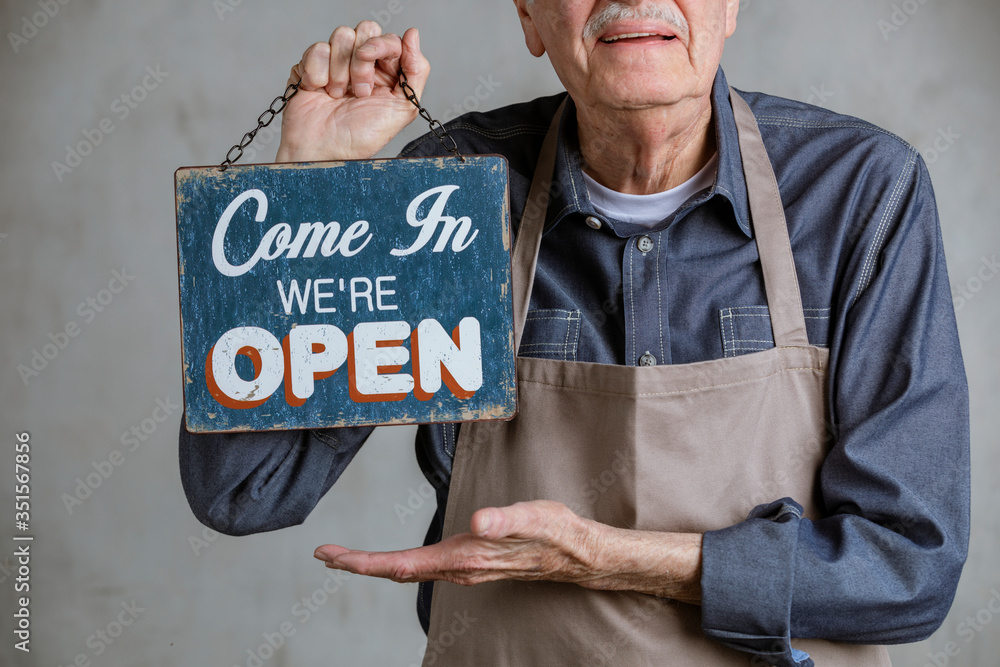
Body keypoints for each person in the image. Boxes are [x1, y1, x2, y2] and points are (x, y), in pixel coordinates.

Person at [179, 2, 970, 665]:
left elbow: (910, 566)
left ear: (732, 5)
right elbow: (244, 487)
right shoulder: (450, 198)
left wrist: (606, 557)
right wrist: (303, 190)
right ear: (529, 14)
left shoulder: (860, 193)